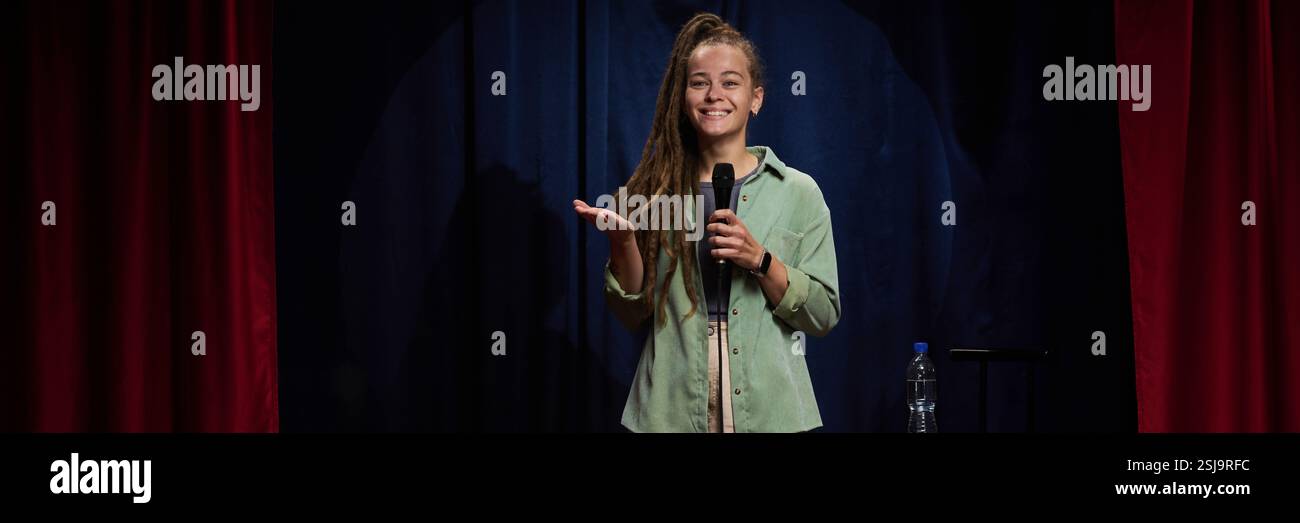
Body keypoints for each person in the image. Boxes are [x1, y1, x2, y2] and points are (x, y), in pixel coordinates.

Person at [573, 13, 840, 432]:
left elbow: (823, 315)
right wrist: (623, 240)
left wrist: (760, 260)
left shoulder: (798, 192)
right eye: (699, 82)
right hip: (670, 407)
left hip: (771, 411)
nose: (714, 94)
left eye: (730, 82)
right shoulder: (655, 190)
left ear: (756, 98)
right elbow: (632, 314)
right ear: (683, 97)